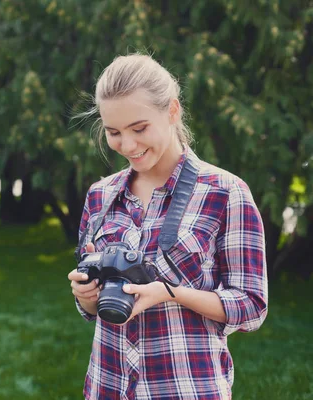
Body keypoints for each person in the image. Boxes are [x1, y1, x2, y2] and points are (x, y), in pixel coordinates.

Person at [67, 54, 268, 400]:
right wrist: (85, 298)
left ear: (172, 111)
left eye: (139, 128)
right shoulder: (100, 196)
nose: (127, 145)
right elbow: (92, 309)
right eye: (113, 132)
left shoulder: (225, 192)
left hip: (186, 388)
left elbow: (251, 305)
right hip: (107, 387)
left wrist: (168, 292)